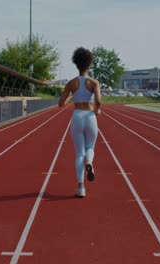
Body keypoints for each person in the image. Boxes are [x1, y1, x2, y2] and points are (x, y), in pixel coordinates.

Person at [59, 47, 102, 198]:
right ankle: (89, 162)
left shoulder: (71, 83)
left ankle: (81, 188)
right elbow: (98, 100)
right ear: (89, 65)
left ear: (76, 64)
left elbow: (60, 103)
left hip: (77, 115)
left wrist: (72, 96)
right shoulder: (94, 82)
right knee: (91, 147)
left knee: (79, 153)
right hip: (90, 116)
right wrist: (97, 110)